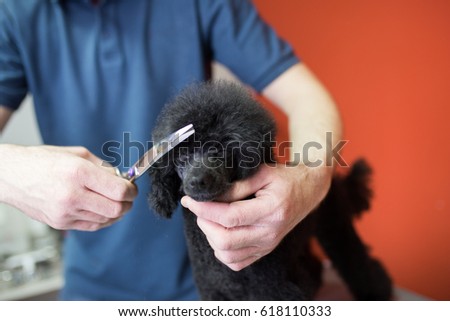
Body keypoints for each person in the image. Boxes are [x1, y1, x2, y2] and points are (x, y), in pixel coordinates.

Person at [0, 0, 342, 300]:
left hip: (210, 287)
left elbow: (306, 98)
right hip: (89, 292)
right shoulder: (13, 12)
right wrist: (11, 172)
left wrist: (309, 177)